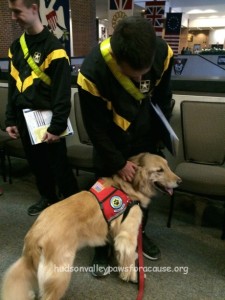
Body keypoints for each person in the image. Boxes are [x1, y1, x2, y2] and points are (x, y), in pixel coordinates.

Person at [77, 16, 174, 277]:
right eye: (135, 73)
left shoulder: (161, 53)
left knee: (142, 193)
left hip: (144, 134)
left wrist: (159, 141)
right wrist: (118, 162)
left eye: (146, 71)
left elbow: (163, 99)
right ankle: (101, 246)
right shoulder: (93, 71)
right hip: (110, 140)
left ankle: (138, 235)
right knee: (106, 199)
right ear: (118, 62)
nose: (143, 77)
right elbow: (95, 128)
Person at [6, 0, 78, 216]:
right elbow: (13, 85)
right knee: (37, 165)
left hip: (48, 122)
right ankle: (48, 197)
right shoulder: (16, 47)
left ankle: (74, 206)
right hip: (25, 119)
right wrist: (10, 119)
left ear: (34, 9)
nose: (13, 17)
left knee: (59, 167)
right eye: (11, 12)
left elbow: (62, 94)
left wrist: (56, 128)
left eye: (17, 12)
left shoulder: (54, 49)